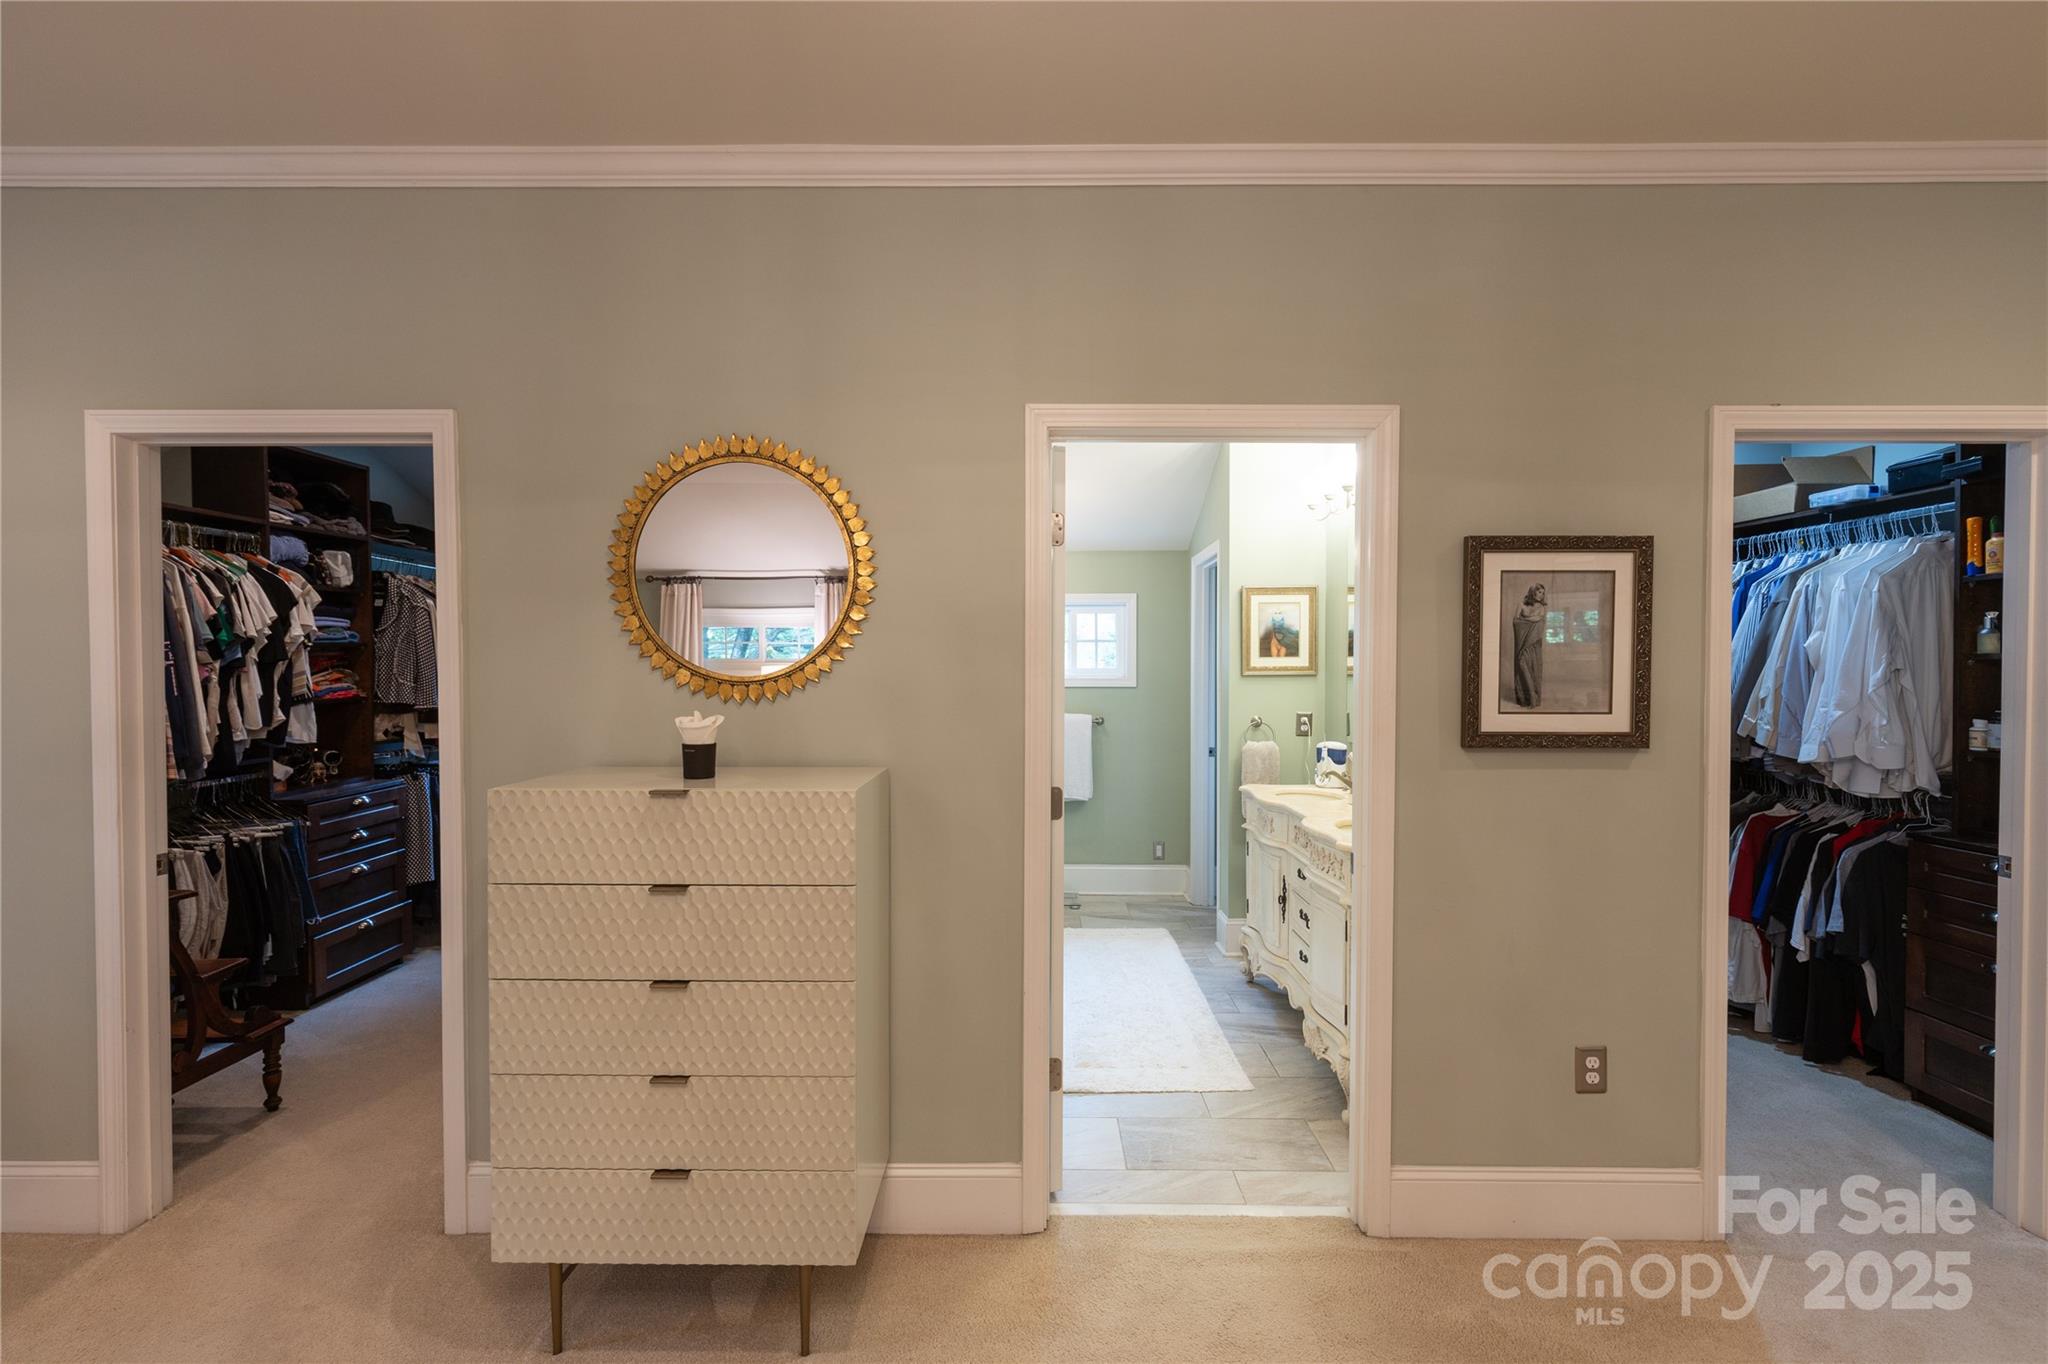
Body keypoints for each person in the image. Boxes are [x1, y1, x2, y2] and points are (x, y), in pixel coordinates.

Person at [1512, 584, 1546, 708]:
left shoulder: (1541, 607)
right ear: (1533, 592)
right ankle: (1527, 697)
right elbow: (1515, 621)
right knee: (1522, 663)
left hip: (1533, 642)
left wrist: (1525, 619)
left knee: (1533, 668)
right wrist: (1531, 620)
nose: (1541, 595)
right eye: (1539, 592)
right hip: (1522, 641)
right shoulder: (1521, 604)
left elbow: (1540, 621)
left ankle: (1533, 697)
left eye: (1543, 593)